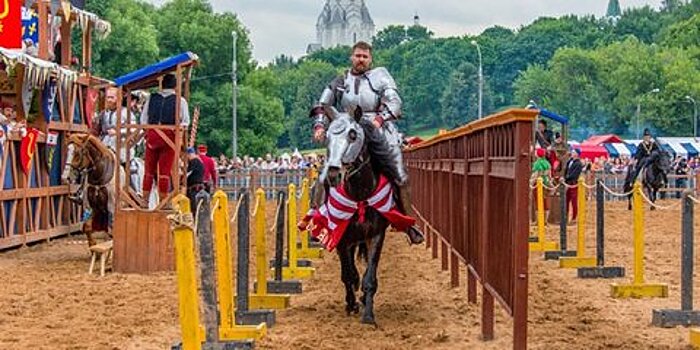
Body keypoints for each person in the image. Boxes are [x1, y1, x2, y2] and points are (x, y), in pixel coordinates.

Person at [304, 41, 423, 245]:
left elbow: (394, 102)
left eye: (364, 57)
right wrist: (319, 126)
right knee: (328, 169)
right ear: (352, 57)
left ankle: (408, 224)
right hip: (347, 128)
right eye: (358, 56)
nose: (361, 60)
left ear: (370, 59)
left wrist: (380, 119)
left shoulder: (380, 77)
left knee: (399, 176)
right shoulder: (341, 80)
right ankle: (316, 218)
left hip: (377, 130)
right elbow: (323, 105)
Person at [140, 73, 190, 206]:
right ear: (175, 86)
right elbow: (185, 122)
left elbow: (143, 120)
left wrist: (150, 131)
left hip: (153, 137)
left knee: (149, 170)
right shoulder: (180, 100)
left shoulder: (151, 98)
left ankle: (145, 200)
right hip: (169, 139)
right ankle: (163, 201)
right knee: (164, 171)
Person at [90, 87, 132, 165]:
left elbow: (133, 129)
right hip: (104, 144)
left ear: (118, 98)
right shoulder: (103, 113)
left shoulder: (126, 113)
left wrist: (118, 132)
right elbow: (96, 129)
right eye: (108, 97)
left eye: (112, 97)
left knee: (130, 168)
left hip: (121, 145)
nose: (109, 100)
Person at [564, 148, 583, 224]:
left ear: (577, 154)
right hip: (567, 182)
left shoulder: (578, 164)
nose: (572, 153)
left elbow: (574, 174)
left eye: (573, 152)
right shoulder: (569, 161)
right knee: (566, 200)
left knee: (574, 201)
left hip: (573, 183)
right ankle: (565, 217)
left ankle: (574, 218)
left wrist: (567, 178)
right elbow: (566, 171)